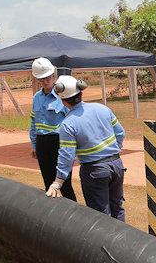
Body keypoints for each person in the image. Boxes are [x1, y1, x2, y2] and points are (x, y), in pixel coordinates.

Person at [45, 75, 126, 221]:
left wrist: (58, 181)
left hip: (95, 171)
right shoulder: (102, 108)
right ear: (81, 93)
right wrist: (113, 150)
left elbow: (67, 155)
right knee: (117, 208)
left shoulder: (68, 124)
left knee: (101, 215)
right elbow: (120, 133)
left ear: (63, 101)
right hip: (116, 165)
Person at [29, 58, 76, 201]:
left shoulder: (63, 96)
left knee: (65, 184)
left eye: (48, 77)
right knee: (48, 183)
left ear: (53, 75)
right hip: (42, 143)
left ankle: (73, 212)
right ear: (37, 79)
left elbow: (73, 123)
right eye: (42, 79)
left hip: (59, 142)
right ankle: (52, 213)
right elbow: (34, 122)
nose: (46, 81)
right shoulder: (37, 97)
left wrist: (72, 148)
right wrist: (34, 145)